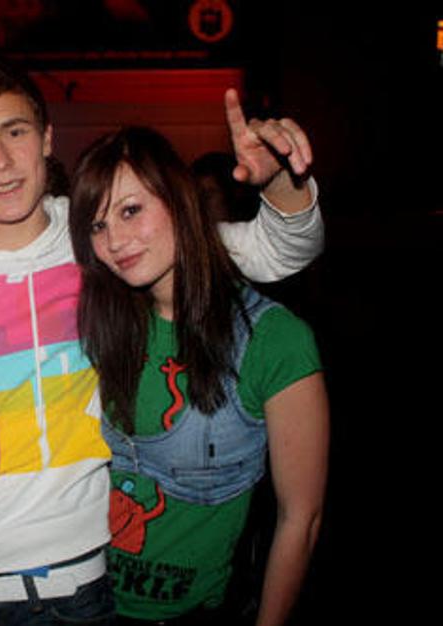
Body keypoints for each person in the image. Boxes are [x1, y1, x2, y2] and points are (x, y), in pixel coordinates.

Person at [0, 56, 325, 624]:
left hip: (70, 579)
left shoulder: (96, 237)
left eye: (14, 132)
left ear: (47, 139)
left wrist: (281, 182)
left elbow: (275, 251)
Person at [68, 125, 329, 625]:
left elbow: (301, 518)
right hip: (83, 604)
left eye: (130, 210)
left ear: (179, 199)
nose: (115, 241)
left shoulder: (271, 340)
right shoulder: (99, 326)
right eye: (97, 226)